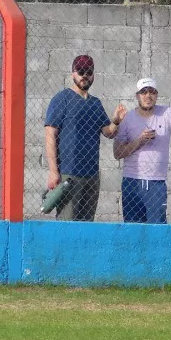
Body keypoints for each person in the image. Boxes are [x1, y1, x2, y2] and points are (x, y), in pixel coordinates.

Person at [44, 55, 127, 220]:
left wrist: (116, 121)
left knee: (87, 224)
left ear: (93, 75)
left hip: (92, 175)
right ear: (73, 73)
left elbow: (108, 132)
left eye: (89, 72)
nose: (85, 76)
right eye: (81, 71)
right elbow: (50, 134)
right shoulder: (62, 99)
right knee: (67, 223)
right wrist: (53, 171)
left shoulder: (95, 103)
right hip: (69, 173)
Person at [113, 76, 171, 224]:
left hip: (156, 184)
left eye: (152, 92)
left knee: (157, 229)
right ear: (137, 96)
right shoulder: (127, 118)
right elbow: (117, 153)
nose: (148, 96)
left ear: (157, 95)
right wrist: (140, 141)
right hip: (132, 182)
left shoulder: (166, 113)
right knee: (132, 229)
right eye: (144, 92)